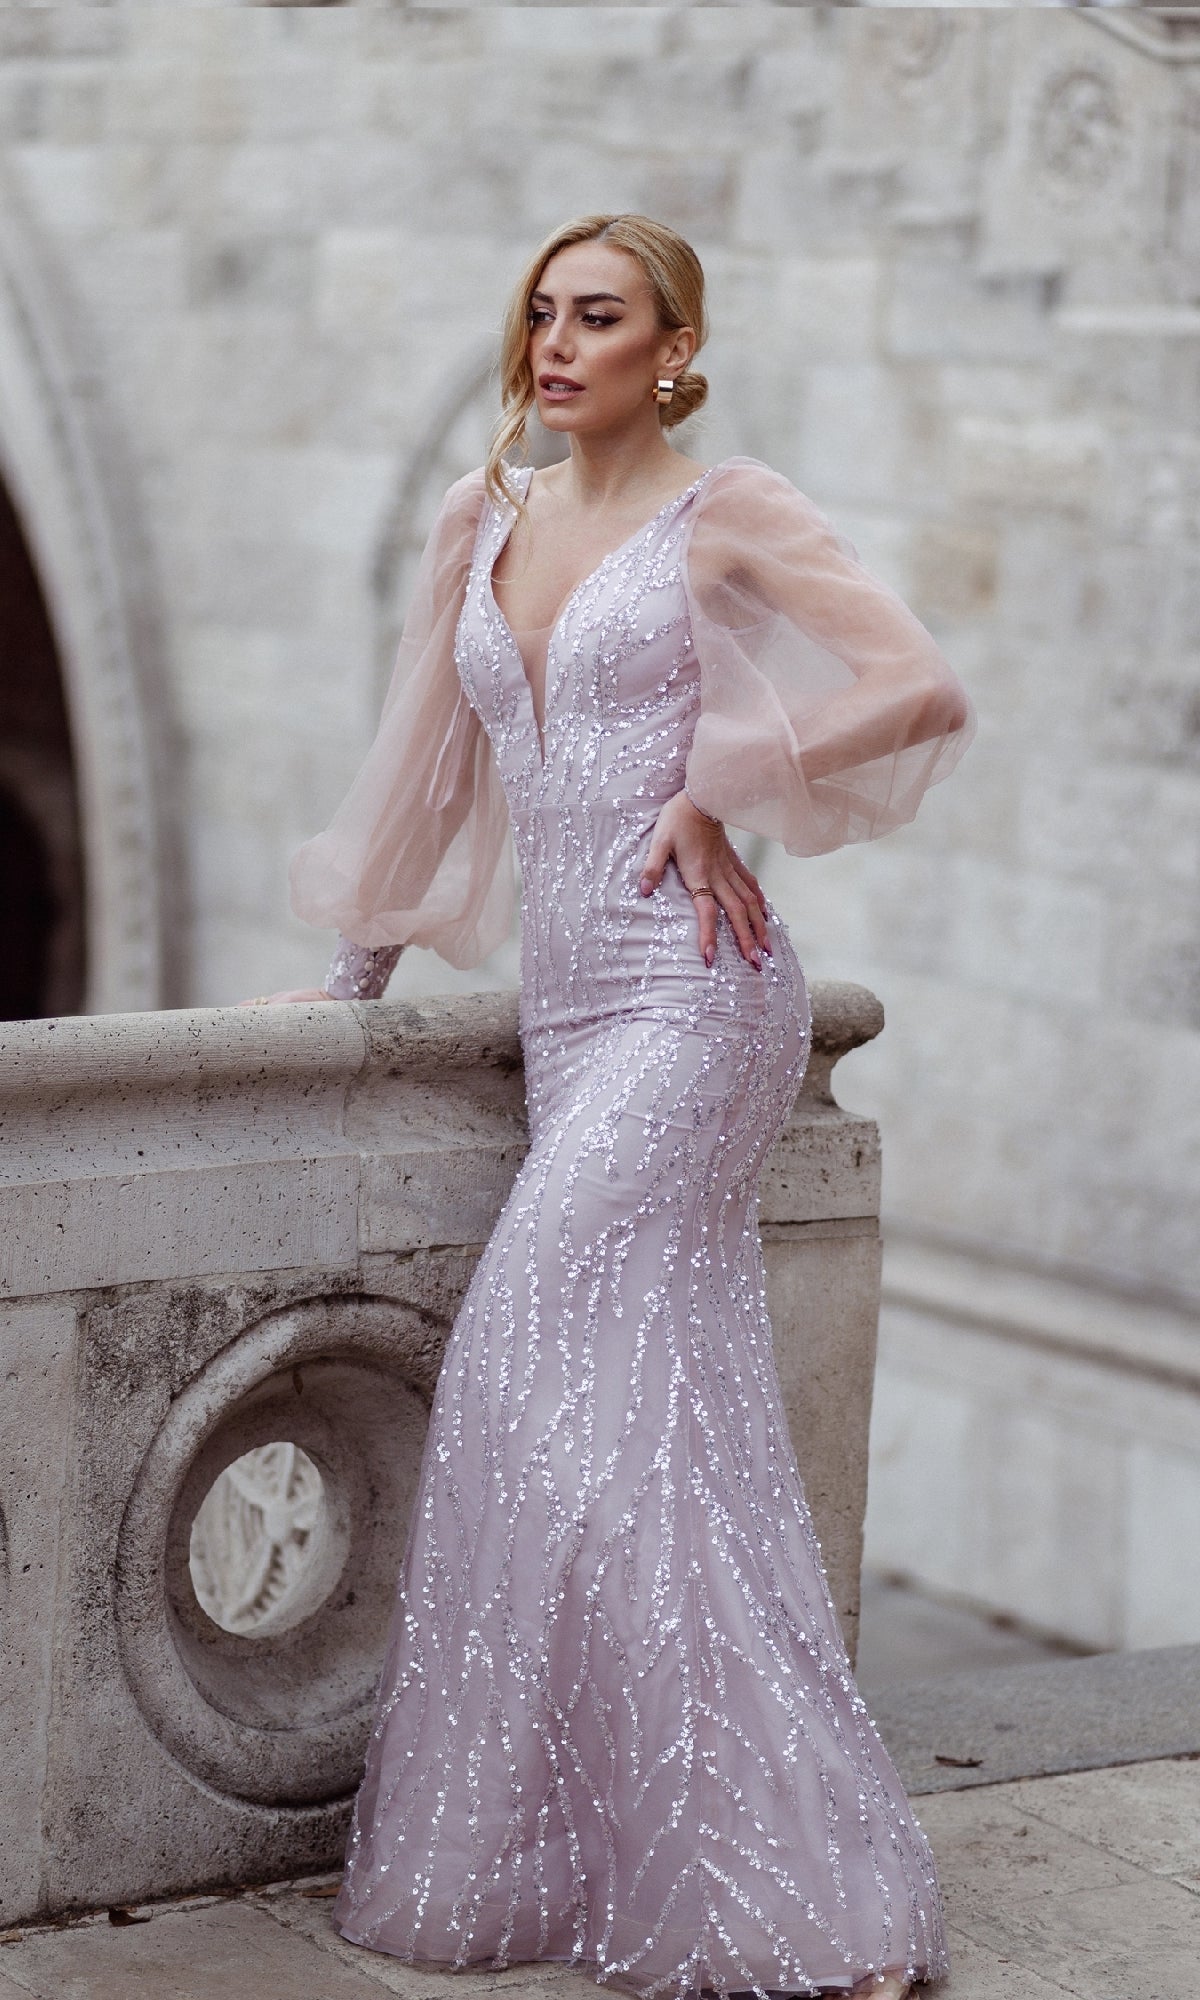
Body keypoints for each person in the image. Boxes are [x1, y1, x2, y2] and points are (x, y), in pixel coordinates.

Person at [252, 213, 974, 1999]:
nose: (559, 344)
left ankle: (809, 1899)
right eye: (542, 316)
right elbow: (427, 758)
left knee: (529, 1351)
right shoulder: (479, 521)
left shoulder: (722, 509)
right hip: (572, 1023)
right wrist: (350, 982)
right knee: (656, 1427)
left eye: (600, 317)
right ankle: (620, 1850)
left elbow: (913, 683)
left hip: (700, 998)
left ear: (674, 347)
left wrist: (724, 786)